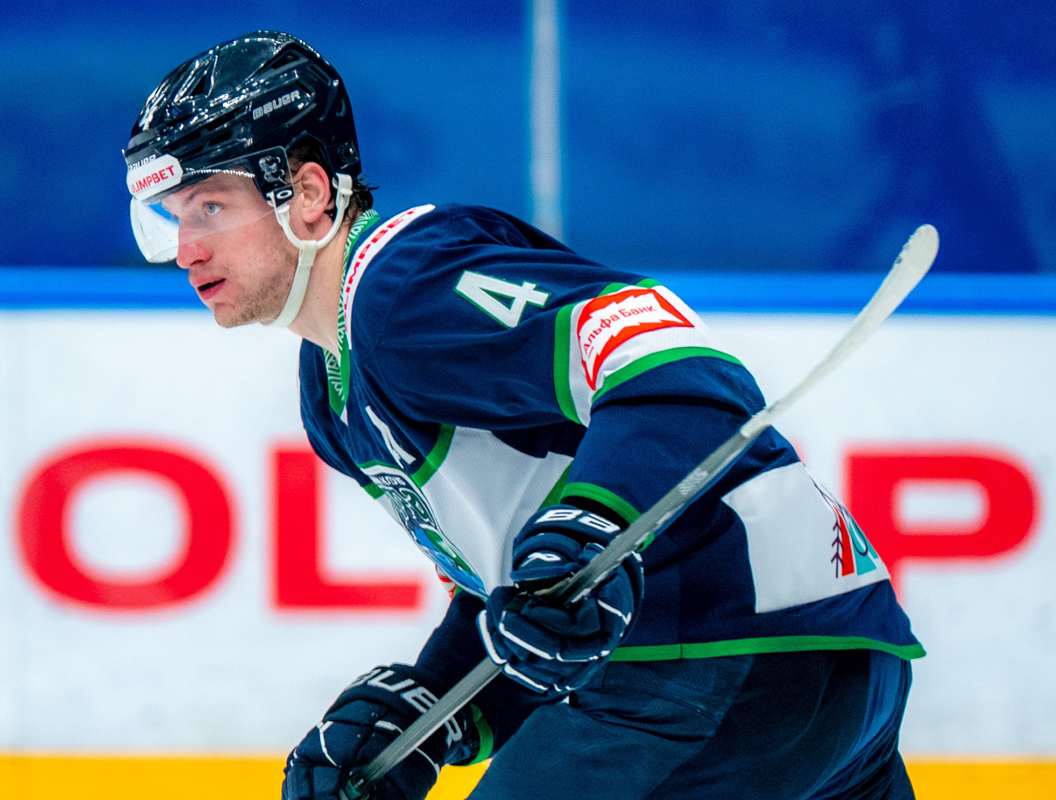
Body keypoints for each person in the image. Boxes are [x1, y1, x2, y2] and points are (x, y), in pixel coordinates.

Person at [124, 31, 924, 800]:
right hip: (832, 658)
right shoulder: (331, 392)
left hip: (719, 658)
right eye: (172, 219)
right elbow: (535, 599)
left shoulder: (402, 285)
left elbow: (670, 360)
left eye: (210, 207)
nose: (186, 246)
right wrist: (431, 714)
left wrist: (590, 523)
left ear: (306, 194)